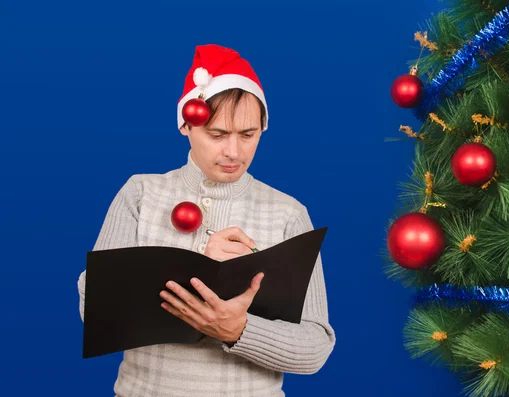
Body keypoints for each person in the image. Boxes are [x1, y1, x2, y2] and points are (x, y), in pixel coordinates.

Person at [77, 44, 335, 396]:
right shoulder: (139, 194)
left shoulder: (289, 214)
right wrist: (197, 269)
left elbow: (315, 347)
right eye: (216, 135)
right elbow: (95, 309)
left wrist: (239, 330)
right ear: (187, 125)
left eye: (248, 135)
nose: (233, 152)